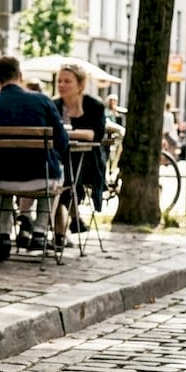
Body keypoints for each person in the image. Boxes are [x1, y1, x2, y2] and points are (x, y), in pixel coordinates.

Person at [0, 56, 69, 261]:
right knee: (55, 176)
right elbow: (62, 143)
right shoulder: (43, 101)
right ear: (20, 75)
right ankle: (40, 232)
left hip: (0, 180)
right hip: (41, 179)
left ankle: (4, 235)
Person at [52, 63, 106, 247]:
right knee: (57, 173)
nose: (62, 85)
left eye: (67, 81)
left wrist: (65, 133)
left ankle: (61, 229)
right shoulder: (53, 105)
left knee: (64, 177)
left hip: (88, 159)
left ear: (80, 85)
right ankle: (63, 225)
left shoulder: (94, 106)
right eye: (59, 81)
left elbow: (94, 135)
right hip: (59, 156)